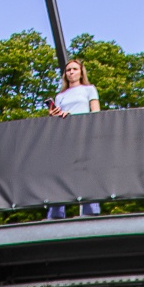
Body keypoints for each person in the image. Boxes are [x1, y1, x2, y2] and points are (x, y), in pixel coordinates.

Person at [45, 58, 103, 219]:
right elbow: (56, 119)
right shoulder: (60, 96)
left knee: (86, 169)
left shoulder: (89, 89)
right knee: (60, 172)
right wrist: (53, 114)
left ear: (81, 72)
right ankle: (56, 212)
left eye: (74, 69)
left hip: (84, 134)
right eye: (68, 70)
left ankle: (90, 209)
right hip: (64, 137)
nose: (71, 72)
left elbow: (96, 112)